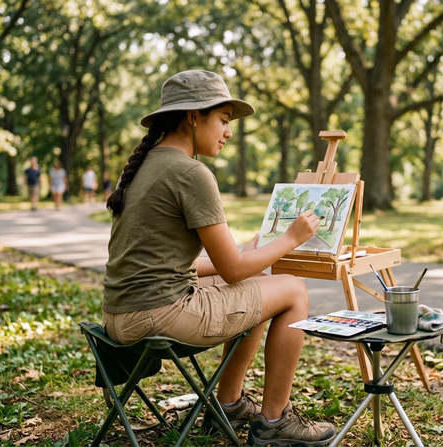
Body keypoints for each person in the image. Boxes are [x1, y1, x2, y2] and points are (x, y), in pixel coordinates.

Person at [103, 70, 336, 446]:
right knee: (293, 290)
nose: (229, 132)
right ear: (194, 116)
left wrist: (250, 256)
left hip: (120, 315)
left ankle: (227, 405)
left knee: (253, 284)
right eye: (224, 121)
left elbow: (182, 264)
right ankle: (274, 422)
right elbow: (232, 269)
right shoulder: (191, 173)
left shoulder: (146, 166)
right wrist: (292, 238)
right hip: (159, 313)